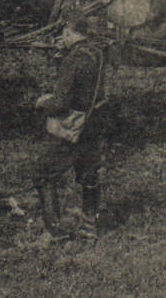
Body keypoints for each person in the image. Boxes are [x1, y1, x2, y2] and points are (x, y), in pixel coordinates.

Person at [33, 38, 114, 241]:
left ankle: (55, 230)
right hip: (93, 123)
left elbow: (61, 103)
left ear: (68, 30)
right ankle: (89, 225)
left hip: (71, 126)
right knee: (89, 174)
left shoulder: (74, 59)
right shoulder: (98, 53)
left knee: (43, 173)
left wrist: (43, 103)